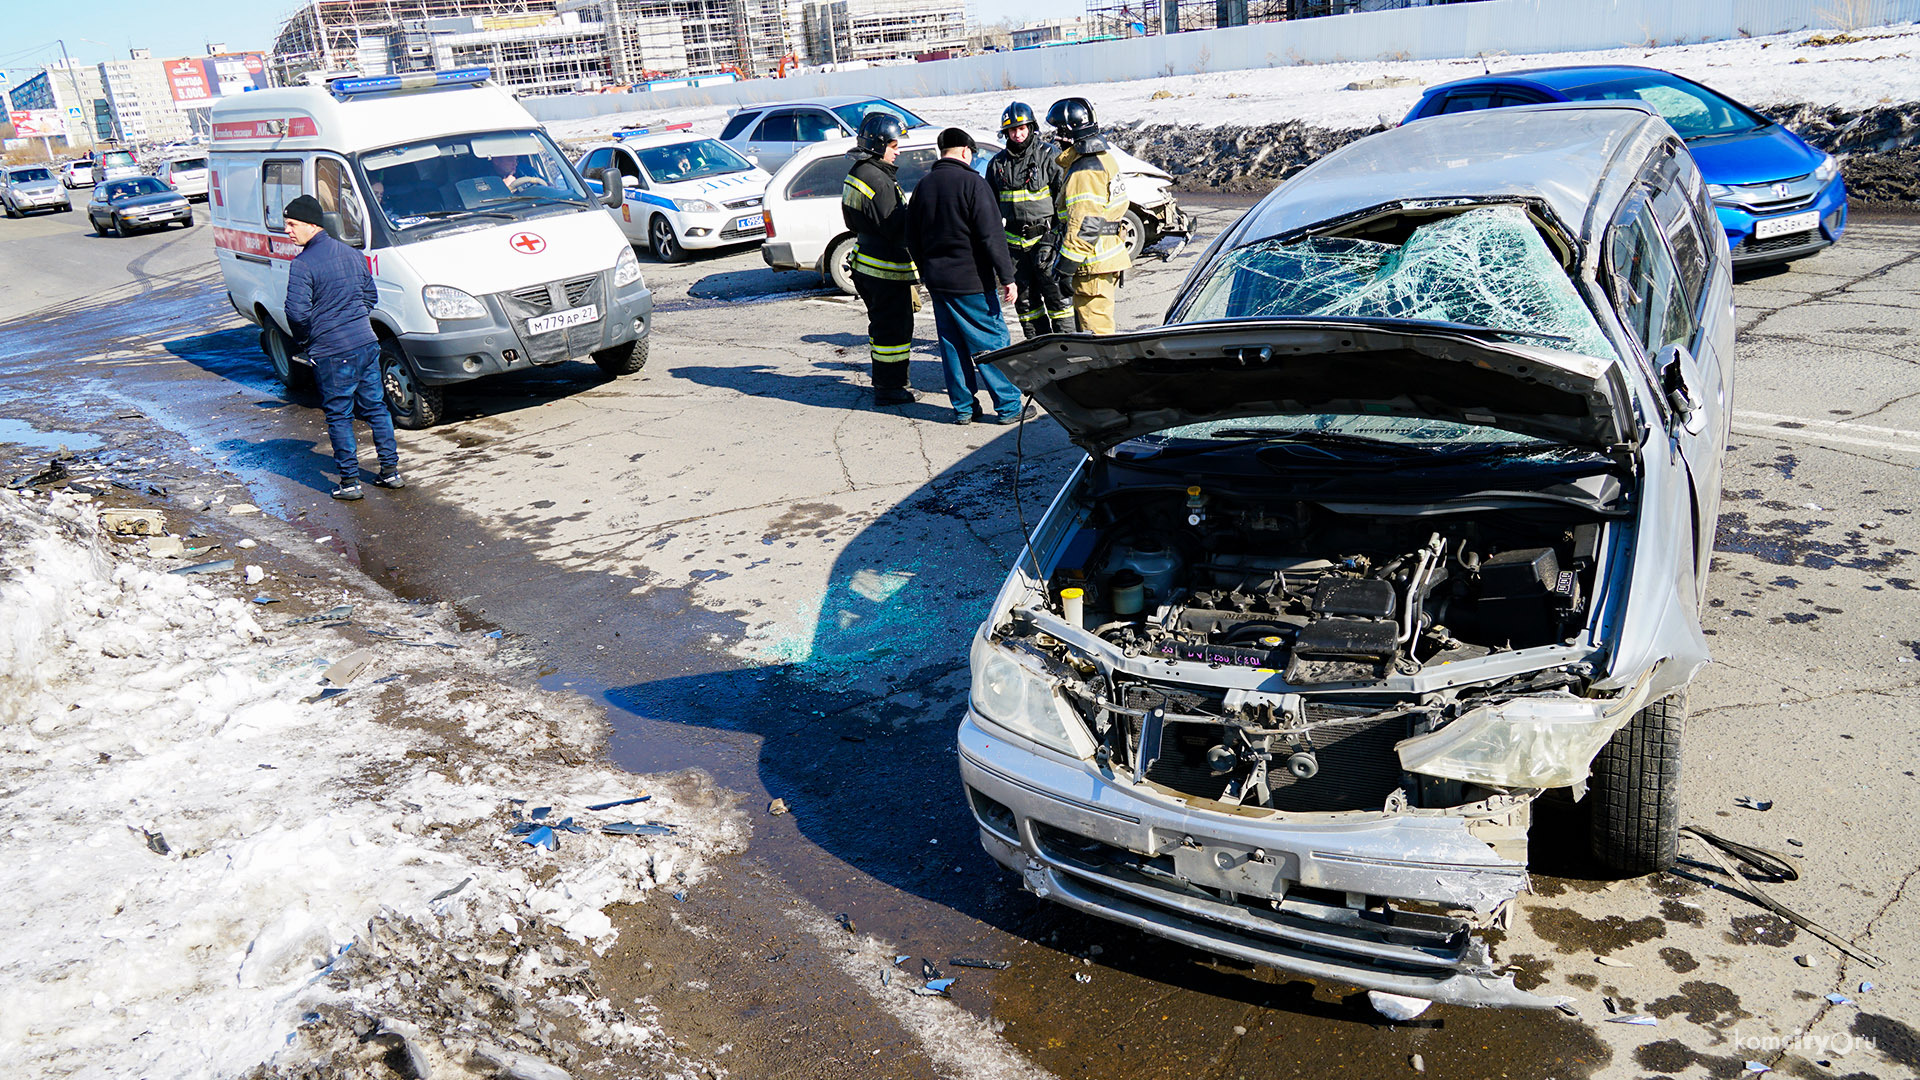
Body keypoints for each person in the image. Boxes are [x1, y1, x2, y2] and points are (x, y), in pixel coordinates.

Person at [904, 128, 1032, 426]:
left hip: (939, 283)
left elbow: (911, 238)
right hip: (972, 282)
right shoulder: (973, 183)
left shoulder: (923, 186)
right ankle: (1009, 407)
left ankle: (963, 408)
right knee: (992, 343)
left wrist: (927, 272)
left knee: (952, 346)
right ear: (965, 151)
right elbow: (992, 236)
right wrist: (1007, 277)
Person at [282, 194, 401, 501]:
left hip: (332, 352)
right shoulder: (351, 254)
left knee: (339, 415)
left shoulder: (303, 265)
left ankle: (349, 482)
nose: (288, 231)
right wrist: (354, 320)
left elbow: (296, 313)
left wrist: (308, 340)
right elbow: (369, 296)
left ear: (312, 224)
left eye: (292, 224)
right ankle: (391, 472)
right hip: (365, 342)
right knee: (377, 408)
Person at [840, 112, 918, 406]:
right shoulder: (880, 182)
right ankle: (891, 388)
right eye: (894, 144)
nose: (899, 150)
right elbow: (898, 228)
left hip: (866, 262)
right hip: (885, 269)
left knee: (882, 327)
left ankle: (888, 381)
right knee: (894, 330)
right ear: (878, 144)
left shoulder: (858, 172)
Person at [984, 102, 1072, 338]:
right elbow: (989, 210)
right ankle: (1041, 353)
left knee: (1059, 303)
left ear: (1032, 127)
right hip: (1014, 247)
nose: (1018, 134)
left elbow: (1064, 204)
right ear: (1006, 133)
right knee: (1026, 306)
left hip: (1047, 241)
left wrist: (1056, 240)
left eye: (1022, 128)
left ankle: (1069, 351)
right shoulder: (997, 165)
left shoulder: (1050, 156)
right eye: (1012, 130)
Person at [1047, 97, 1131, 335]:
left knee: (1096, 334)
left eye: (1058, 132)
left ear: (1069, 133)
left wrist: (1066, 267)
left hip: (1091, 262)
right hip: (1102, 255)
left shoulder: (1084, 170)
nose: (1055, 138)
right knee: (1098, 327)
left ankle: (1108, 374)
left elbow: (1086, 224)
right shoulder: (1103, 157)